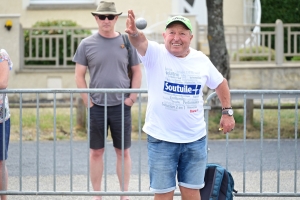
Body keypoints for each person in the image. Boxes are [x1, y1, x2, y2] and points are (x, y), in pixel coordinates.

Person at [125, 10, 235, 200]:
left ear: (190, 37)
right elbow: (139, 42)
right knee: (163, 195)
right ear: (164, 36)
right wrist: (134, 33)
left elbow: (221, 83)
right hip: (162, 140)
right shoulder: (155, 54)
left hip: (194, 140)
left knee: (192, 193)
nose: (177, 38)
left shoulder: (200, 59)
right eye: (172, 32)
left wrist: (227, 112)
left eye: (182, 33)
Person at [73, 1, 141, 200]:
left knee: (123, 152)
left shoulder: (127, 42)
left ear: (116, 18)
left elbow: (137, 72)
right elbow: (79, 75)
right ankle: (97, 195)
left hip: (121, 106)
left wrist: (132, 98)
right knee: (96, 152)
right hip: (97, 106)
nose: (106, 20)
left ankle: (124, 194)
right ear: (96, 18)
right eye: (102, 16)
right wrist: (88, 102)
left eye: (110, 17)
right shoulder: (86, 44)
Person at [0, 49, 13, 200]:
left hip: (1, 118)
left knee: (0, 161)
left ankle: (3, 198)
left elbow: (3, 82)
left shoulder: (1, 54)